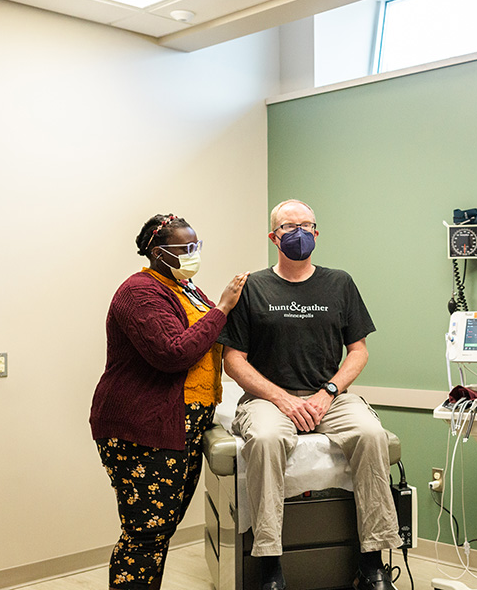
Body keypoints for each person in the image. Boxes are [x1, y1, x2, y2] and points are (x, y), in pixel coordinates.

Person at [218, 199, 401, 590]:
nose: (298, 232)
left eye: (306, 225)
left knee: (371, 436)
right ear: (273, 237)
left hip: (329, 395)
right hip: (269, 399)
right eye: (288, 226)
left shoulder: (340, 283)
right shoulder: (253, 287)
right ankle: (270, 566)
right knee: (266, 440)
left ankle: (372, 562)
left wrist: (329, 392)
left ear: (316, 233)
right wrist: (282, 399)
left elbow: (359, 351)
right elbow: (232, 360)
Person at [90, 214, 248, 590]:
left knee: (159, 531)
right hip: (143, 427)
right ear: (159, 254)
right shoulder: (139, 293)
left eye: (197, 246)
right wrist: (223, 308)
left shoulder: (185, 287)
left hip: (182, 425)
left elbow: (208, 333)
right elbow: (173, 352)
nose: (194, 254)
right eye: (186, 249)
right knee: (145, 534)